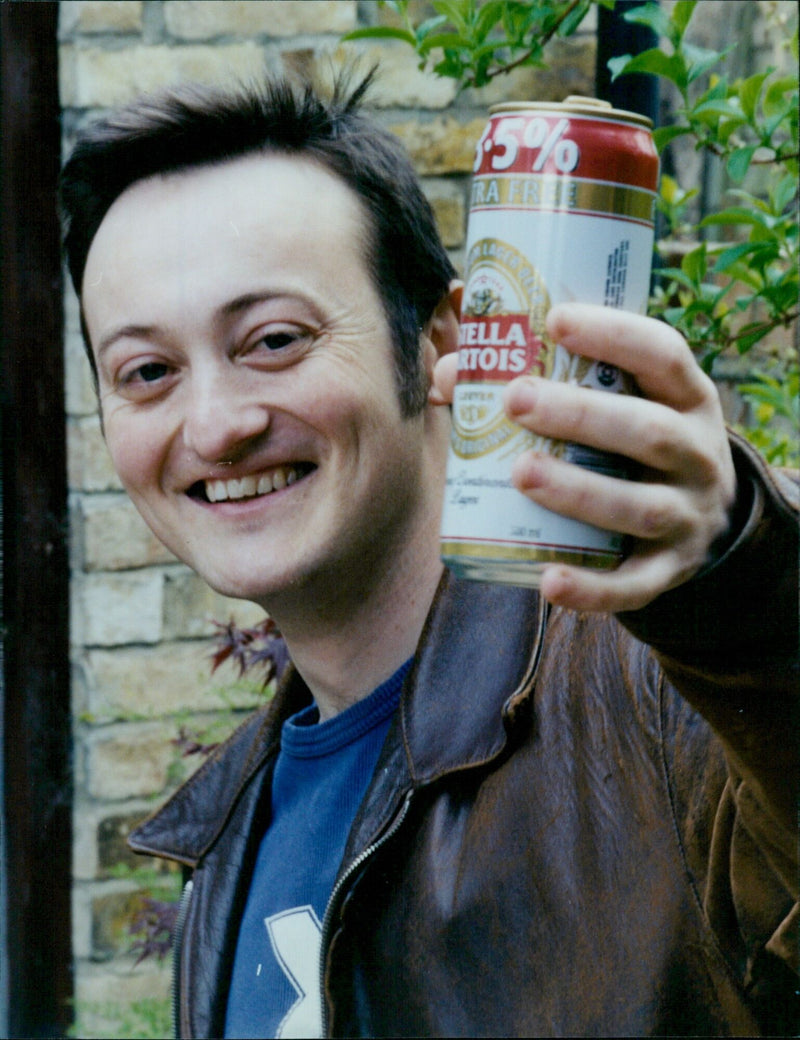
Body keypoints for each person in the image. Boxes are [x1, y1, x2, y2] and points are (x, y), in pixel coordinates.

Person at [60, 70, 798, 1038]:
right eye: (147, 371)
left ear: (443, 339)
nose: (215, 424)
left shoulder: (658, 704)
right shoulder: (227, 843)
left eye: (274, 339)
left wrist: (742, 582)